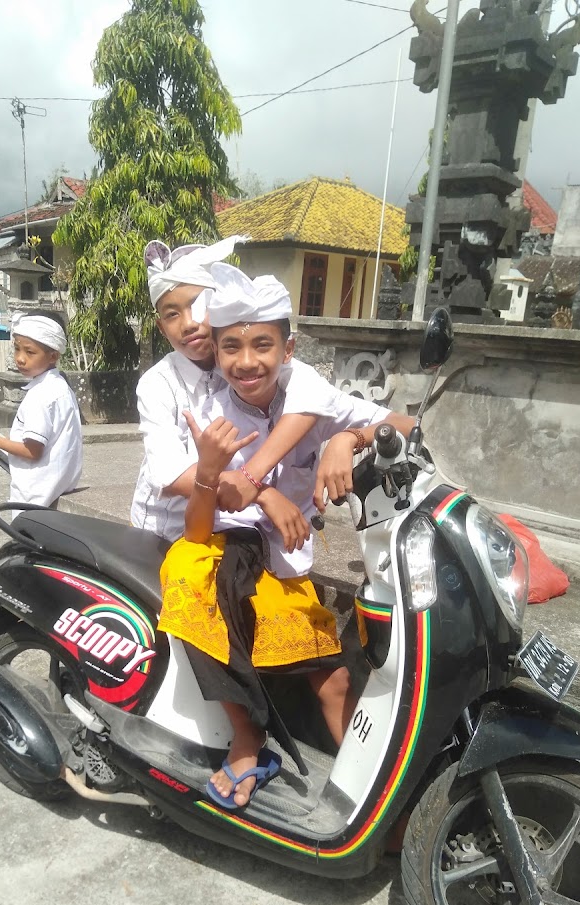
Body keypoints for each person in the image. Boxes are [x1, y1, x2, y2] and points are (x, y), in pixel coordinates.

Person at [157, 265, 415, 809]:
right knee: (198, 578)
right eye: (231, 347)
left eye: (262, 345)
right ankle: (246, 735)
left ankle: (373, 795)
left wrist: (347, 439)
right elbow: (198, 528)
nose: (246, 362)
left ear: (287, 349)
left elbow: (404, 425)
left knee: (334, 681)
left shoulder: (309, 391)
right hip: (228, 552)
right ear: (217, 352)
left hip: (286, 560)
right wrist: (214, 473)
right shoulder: (209, 415)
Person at [131, 235, 355, 543]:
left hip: (233, 527)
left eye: (199, 306)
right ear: (160, 327)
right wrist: (259, 491)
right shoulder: (158, 384)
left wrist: (346, 437)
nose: (188, 324)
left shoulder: (246, 363)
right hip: (165, 529)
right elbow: (169, 476)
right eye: (172, 314)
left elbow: (314, 390)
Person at [0, 311, 83, 509]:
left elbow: (33, 451)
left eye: (30, 352)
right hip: (56, 487)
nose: (20, 358)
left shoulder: (40, 395)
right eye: (17, 349)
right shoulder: (59, 386)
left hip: (35, 496)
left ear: (53, 356)